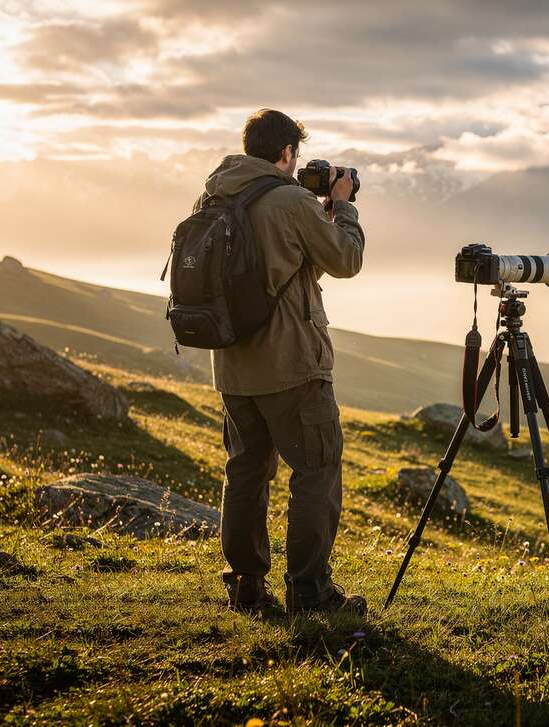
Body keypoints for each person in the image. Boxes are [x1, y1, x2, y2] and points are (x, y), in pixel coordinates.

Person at [195, 109, 366, 614]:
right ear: (288, 153)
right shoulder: (291, 201)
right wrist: (341, 206)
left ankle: (246, 586)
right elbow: (346, 260)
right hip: (291, 365)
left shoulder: (215, 195)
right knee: (315, 470)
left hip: (231, 366)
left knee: (246, 471)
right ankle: (309, 595)